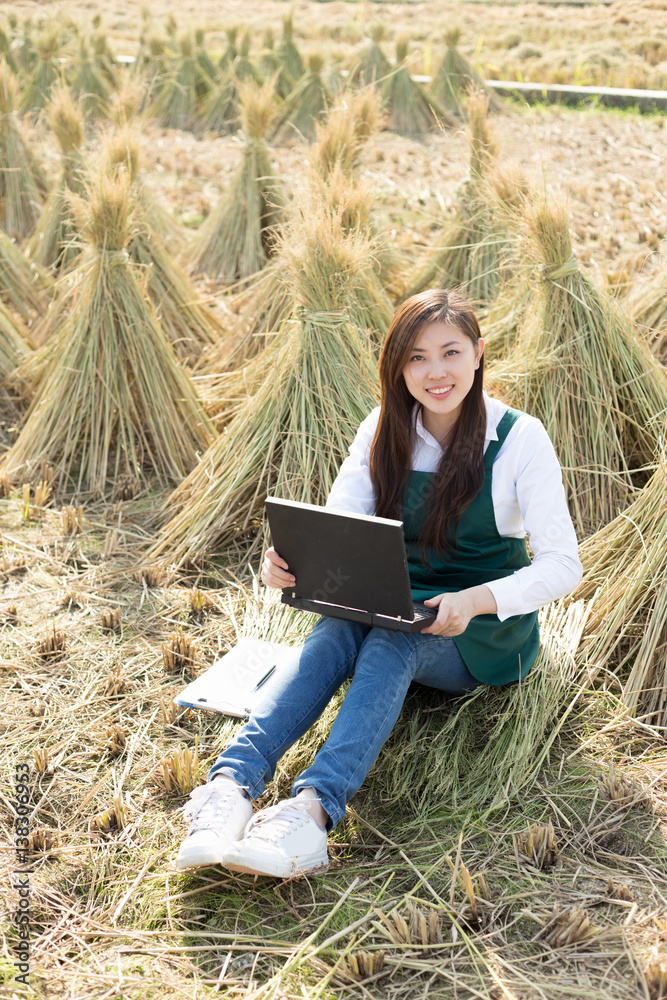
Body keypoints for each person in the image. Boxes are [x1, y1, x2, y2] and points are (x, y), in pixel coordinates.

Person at [176, 288, 583, 879]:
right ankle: (230, 785)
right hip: (389, 599)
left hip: (481, 629)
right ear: (398, 366)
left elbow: (563, 565)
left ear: (478, 354)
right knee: (338, 625)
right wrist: (291, 566)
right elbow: (342, 529)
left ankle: (313, 810)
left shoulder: (519, 439)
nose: (435, 372)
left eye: (450, 352)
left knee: (394, 640)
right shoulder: (382, 429)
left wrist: (473, 601)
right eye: (416, 358)